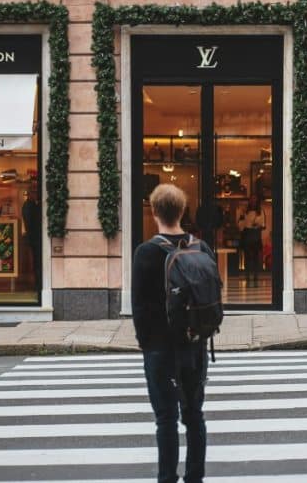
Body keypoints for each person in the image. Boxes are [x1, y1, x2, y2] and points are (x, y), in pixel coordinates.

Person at [132, 184, 213, 483]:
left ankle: (167, 478)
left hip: (160, 348)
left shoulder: (146, 252)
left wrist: (146, 345)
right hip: (194, 346)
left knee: (165, 419)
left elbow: (139, 307)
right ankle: (195, 478)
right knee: (194, 417)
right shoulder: (201, 248)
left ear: (153, 212)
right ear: (182, 211)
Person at [239, 195, 265, 287]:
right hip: (247, 235)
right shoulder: (245, 211)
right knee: (247, 258)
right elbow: (240, 225)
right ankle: (247, 276)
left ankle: (255, 276)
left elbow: (263, 224)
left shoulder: (260, 211)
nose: (253, 202)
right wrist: (244, 223)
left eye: (255, 200)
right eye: (251, 200)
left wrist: (257, 225)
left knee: (255, 258)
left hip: (256, 235)